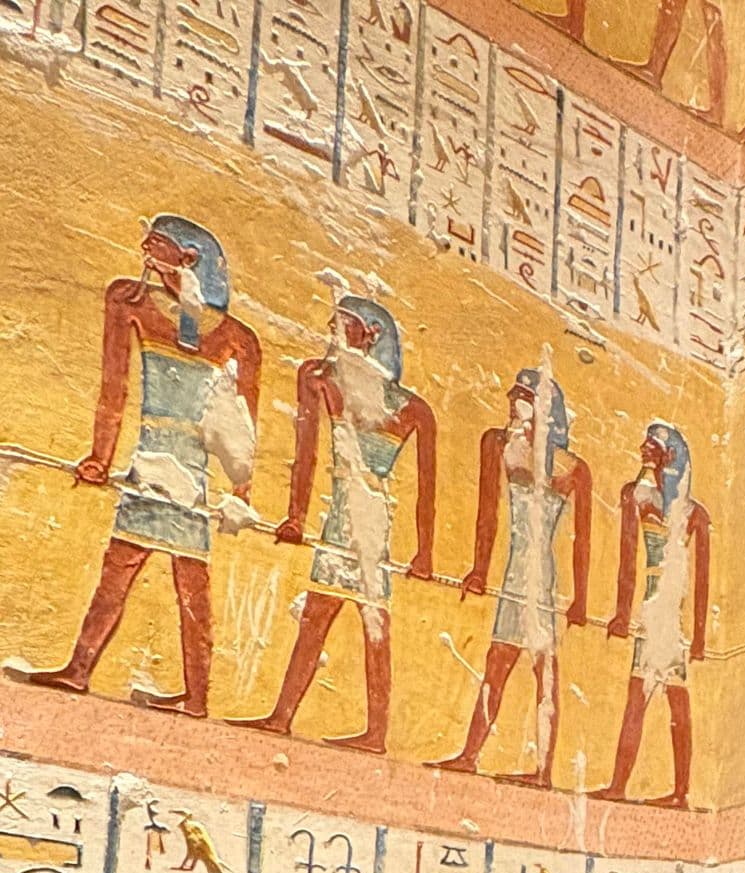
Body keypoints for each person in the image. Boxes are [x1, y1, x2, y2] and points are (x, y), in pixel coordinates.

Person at [21, 215, 260, 716]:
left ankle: (190, 695)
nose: (145, 251)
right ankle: (88, 671)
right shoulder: (128, 301)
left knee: (184, 579)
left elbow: (242, 428)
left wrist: (242, 492)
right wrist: (100, 458)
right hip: (151, 460)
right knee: (126, 567)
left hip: (189, 472)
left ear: (188, 259)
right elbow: (115, 388)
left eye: (157, 245)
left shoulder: (238, 336)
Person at [235, 295, 436, 753]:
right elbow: (305, 450)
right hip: (345, 511)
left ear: (371, 335)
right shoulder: (319, 378)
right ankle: (285, 715)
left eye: (342, 324)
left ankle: (371, 731)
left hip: (371, 518)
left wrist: (426, 553)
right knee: (320, 617)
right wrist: (295, 517)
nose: (331, 330)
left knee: (370, 622)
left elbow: (427, 489)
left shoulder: (415, 409)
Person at [431, 367, 591, 784]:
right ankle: (471, 754)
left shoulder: (573, 467)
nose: (510, 399)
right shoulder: (499, 444)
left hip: (543, 580)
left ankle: (543, 771)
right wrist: (479, 571)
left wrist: (581, 601)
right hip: (515, 575)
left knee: (545, 674)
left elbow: (581, 541)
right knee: (497, 664)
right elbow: (489, 513)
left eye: (520, 395)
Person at [595, 422, 710, 809]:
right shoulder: (637, 497)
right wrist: (621, 614)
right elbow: (628, 561)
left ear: (670, 456)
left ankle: (679, 792)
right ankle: (619, 784)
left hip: (671, 622)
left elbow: (702, 579)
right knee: (637, 699)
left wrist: (699, 637)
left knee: (674, 702)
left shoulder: (694, 513)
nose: (644, 450)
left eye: (653, 446)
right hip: (651, 613)